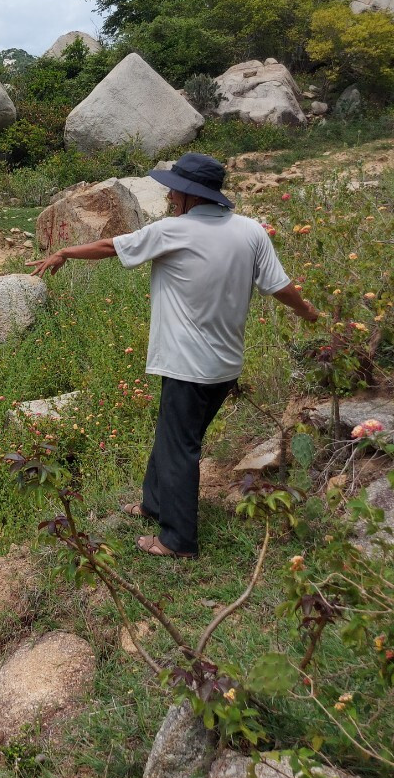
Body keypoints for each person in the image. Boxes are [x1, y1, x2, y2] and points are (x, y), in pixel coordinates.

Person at [29, 153, 321, 559]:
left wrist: (64, 253)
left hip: (187, 365)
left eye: (174, 190)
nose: (169, 196)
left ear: (191, 196)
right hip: (225, 365)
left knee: (180, 447)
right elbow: (280, 287)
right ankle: (153, 504)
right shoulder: (251, 231)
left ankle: (178, 539)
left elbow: (110, 246)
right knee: (175, 437)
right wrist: (308, 312)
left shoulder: (173, 230)